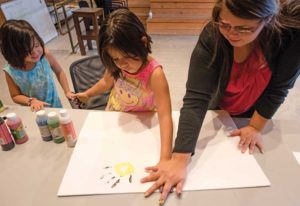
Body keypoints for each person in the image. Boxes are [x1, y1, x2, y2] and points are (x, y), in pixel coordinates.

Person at [141, 0, 300, 204]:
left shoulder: (288, 37)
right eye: (225, 24)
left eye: (244, 28)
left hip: (254, 109)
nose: (232, 33)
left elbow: (278, 88)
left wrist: (254, 126)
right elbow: (196, 98)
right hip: (218, 107)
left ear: (267, 20)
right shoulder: (213, 34)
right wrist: (180, 158)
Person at [75, 9, 173, 164]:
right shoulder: (117, 65)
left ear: (143, 42)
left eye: (127, 56)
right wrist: (88, 94)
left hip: (142, 125)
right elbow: (106, 82)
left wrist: (165, 158)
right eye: (115, 58)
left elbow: (165, 116)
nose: (122, 64)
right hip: (115, 119)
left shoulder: (155, 74)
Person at [0, 20, 73, 111]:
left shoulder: (45, 56)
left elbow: (59, 72)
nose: (35, 52)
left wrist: (67, 91)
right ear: (13, 52)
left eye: (37, 45)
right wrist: (31, 101)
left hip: (55, 106)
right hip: (34, 111)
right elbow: (15, 95)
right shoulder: (11, 71)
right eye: (28, 50)